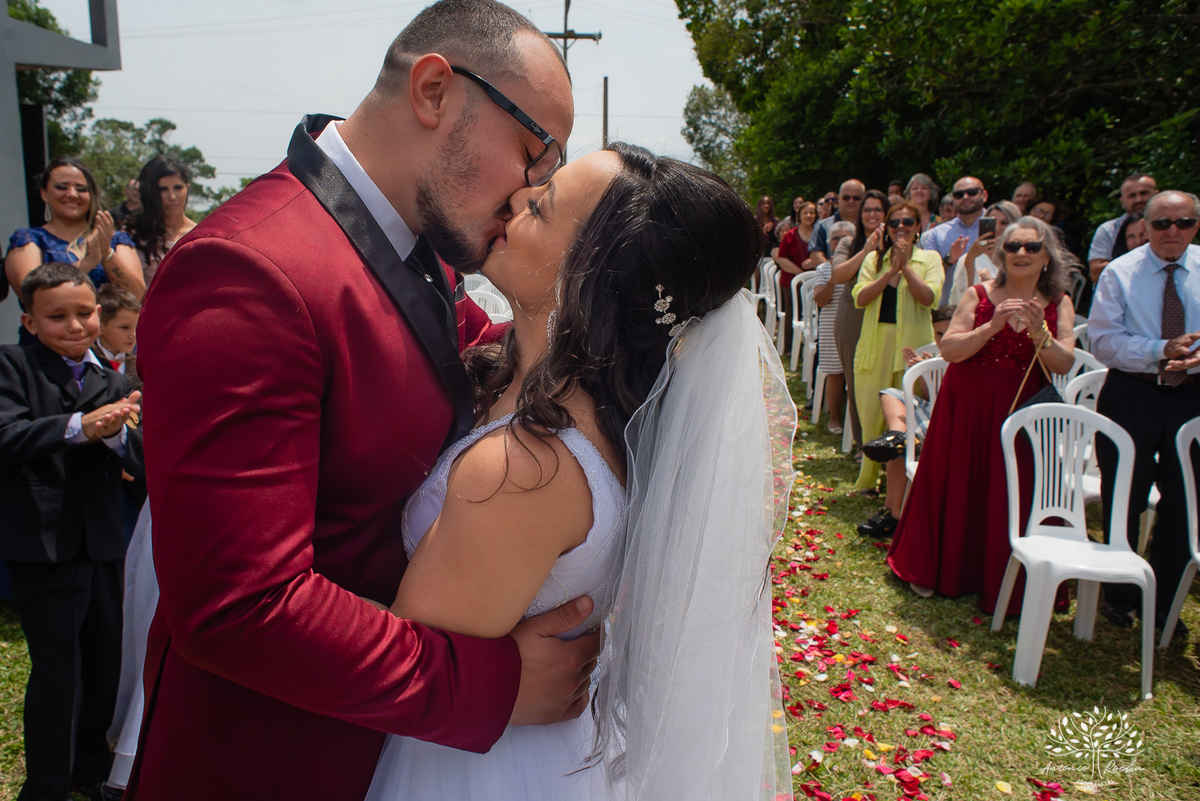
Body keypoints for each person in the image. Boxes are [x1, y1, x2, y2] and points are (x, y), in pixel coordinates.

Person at [130, 3, 599, 799]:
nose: (531, 192)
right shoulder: (248, 269)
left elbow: (475, 358)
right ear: (434, 90)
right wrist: (487, 683)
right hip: (272, 760)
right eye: (532, 153)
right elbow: (237, 605)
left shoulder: (414, 246)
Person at [364, 142, 794, 801]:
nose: (515, 198)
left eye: (541, 207)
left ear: (589, 276)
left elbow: (402, 661)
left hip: (465, 764)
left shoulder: (524, 470)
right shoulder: (594, 411)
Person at [0, 263, 143, 801]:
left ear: (99, 313)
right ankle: (46, 785)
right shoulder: (13, 367)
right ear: (30, 322)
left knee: (105, 660)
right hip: (44, 545)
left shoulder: (117, 382)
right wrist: (80, 427)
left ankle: (90, 767)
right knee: (60, 671)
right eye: (57, 317)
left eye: (84, 313)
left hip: (103, 542)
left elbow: (141, 463)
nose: (75, 325)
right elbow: (6, 436)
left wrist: (119, 438)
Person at [887, 217, 1078, 610]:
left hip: (1022, 412)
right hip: (967, 408)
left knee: (1012, 489)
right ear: (1001, 254)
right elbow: (950, 350)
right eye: (1013, 246)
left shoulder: (1059, 302)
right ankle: (939, 569)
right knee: (958, 482)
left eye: (1032, 247)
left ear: (1047, 257)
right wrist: (991, 327)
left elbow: (1063, 363)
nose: (1021, 253)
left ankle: (1007, 581)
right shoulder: (979, 294)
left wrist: (1039, 333)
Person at [1090, 190, 1200, 638]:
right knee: (1125, 497)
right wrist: (1160, 350)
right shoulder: (1120, 272)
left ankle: (1165, 603)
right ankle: (1120, 595)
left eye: (1183, 222)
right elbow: (1103, 342)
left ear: (1196, 225)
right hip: (1133, 394)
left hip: (1192, 397)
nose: (1172, 231)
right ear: (1146, 225)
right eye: (1162, 223)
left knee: (1186, 502)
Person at [851, 200, 942, 492]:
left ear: (918, 228)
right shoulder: (874, 260)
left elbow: (929, 298)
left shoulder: (929, 258)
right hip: (876, 345)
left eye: (907, 222)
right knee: (870, 414)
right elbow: (860, 298)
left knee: (907, 415)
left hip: (912, 349)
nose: (901, 227)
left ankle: (905, 486)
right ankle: (868, 479)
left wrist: (906, 268)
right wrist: (890, 271)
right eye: (894, 223)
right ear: (887, 229)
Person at [5, 158, 145, 343]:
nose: (72, 194)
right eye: (62, 187)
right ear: (44, 193)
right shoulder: (29, 239)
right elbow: (33, 297)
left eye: (81, 189)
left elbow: (137, 296)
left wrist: (106, 254)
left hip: (113, 351)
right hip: (47, 350)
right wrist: (87, 262)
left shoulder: (115, 239)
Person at [856, 304, 955, 538]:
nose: (943, 339)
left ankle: (893, 513)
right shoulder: (936, 358)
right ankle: (896, 434)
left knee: (910, 436)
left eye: (949, 332)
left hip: (950, 419)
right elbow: (928, 396)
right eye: (939, 334)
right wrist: (924, 373)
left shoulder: (967, 356)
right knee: (891, 393)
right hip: (931, 412)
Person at [829, 190, 888, 449]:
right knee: (856, 381)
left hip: (887, 312)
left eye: (878, 209)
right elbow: (839, 275)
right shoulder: (849, 243)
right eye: (867, 210)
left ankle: (889, 439)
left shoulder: (899, 240)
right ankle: (863, 443)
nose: (872, 214)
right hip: (853, 312)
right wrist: (866, 250)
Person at [124, 155, 198, 287]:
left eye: (178, 188)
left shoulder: (199, 234)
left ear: (187, 188)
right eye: (163, 190)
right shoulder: (132, 234)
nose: (172, 196)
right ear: (150, 193)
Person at [812, 219, 856, 433]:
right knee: (835, 374)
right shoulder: (823, 269)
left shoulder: (863, 264)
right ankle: (834, 419)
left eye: (845, 238)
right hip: (831, 324)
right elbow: (821, 301)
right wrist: (833, 277)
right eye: (836, 238)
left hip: (855, 324)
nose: (840, 242)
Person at [921, 175, 989, 305]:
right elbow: (925, 274)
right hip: (950, 308)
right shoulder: (937, 234)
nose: (965, 197)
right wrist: (949, 260)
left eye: (972, 192)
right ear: (953, 199)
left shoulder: (1000, 228)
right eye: (959, 194)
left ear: (984, 195)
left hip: (991, 306)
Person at [948, 200, 1021, 305]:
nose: (997, 228)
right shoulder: (969, 258)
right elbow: (959, 300)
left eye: (1004, 223)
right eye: (993, 223)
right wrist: (970, 259)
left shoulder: (1023, 259)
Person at [1088, 172, 1156, 282]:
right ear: (1122, 202)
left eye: (1144, 193)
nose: (1138, 199)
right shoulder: (1108, 230)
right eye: (1132, 196)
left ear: (1157, 195)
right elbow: (1096, 272)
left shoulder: (1171, 226)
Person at [772, 206, 813, 352]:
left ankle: (810, 347)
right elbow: (781, 259)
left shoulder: (818, 233)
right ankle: (789, 348)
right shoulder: (790, 235)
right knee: (792, 312)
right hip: (791, 280)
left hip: (813, 280)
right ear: (799, 215)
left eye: (812, 212)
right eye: (805, 212)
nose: (809, 215)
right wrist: (800, 273)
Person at [91, 285, 140, 388]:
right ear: (100, 327)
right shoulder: (90, 361)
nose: (133, 335)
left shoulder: (138, 364)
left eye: (136, 327)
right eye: (124, 327)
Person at [810, 179, 865, 265]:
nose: (851, 201)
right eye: (846, 198)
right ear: (838, 199)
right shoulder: (823, 226)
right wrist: (836, 270)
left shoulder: (869, 224)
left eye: (856, 198)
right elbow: (815, 256)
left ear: (864, 199)